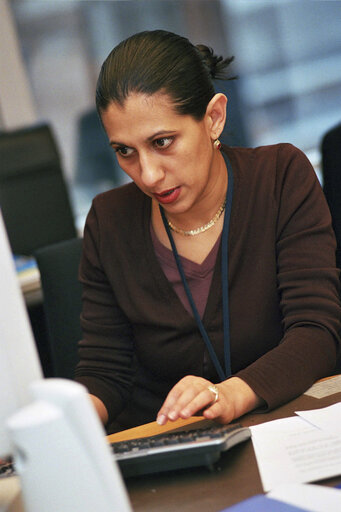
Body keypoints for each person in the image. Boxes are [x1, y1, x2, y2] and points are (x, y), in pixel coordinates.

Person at [74, 30, 341, 433]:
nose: (147, 174)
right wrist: (62, 425)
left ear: (213, 117)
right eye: (124, 151)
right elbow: (105, 373)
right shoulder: (108, 221)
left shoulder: (280, 177)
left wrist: (229, 394)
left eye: (162, 142)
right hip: (174, 453)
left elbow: (316, 333)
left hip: (290, 428)